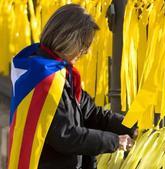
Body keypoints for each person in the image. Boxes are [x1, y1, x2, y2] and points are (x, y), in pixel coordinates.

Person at [8, 4, 135, 169]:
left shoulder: (57, 69)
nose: (87, 52)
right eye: (84, 45)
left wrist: (131, 126)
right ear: (68, 39)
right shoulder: (45, 79)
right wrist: (114, 141)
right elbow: (66, 136)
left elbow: (90, 112)